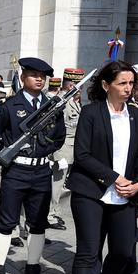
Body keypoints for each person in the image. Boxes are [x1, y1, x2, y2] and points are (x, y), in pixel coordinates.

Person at [65, 61, 138, 274]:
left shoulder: (137, 117)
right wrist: (115, 178)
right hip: (91, 190)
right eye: (122, 83)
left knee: (124, 250)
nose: (128, 89)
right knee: (88, 253)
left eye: (131, 83)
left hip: (126, 194)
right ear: (106, 85)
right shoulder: (91, 113)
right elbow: (83, 155)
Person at [0, 57, 66, 274]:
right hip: (16, 170)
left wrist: (42, 148)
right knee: (6, 223)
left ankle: (32, 271)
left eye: (43, 76)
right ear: (23, 77)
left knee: (38, 224)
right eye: (33, 74)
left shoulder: (52, 107)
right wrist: (7, 155)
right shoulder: (9, 105)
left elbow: (58, 138)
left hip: (41, 171)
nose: (39, 79)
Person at [47, 69, 86, 230]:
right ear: (71, 85)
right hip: (62, 151)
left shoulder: (75, 101)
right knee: (56, 186)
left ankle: (55, 213)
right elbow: (53, 130)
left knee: (63, 186)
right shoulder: (61, 102)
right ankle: (50, 215)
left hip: (71, 151)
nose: (81, 90)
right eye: (79, 86)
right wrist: (56, 155)